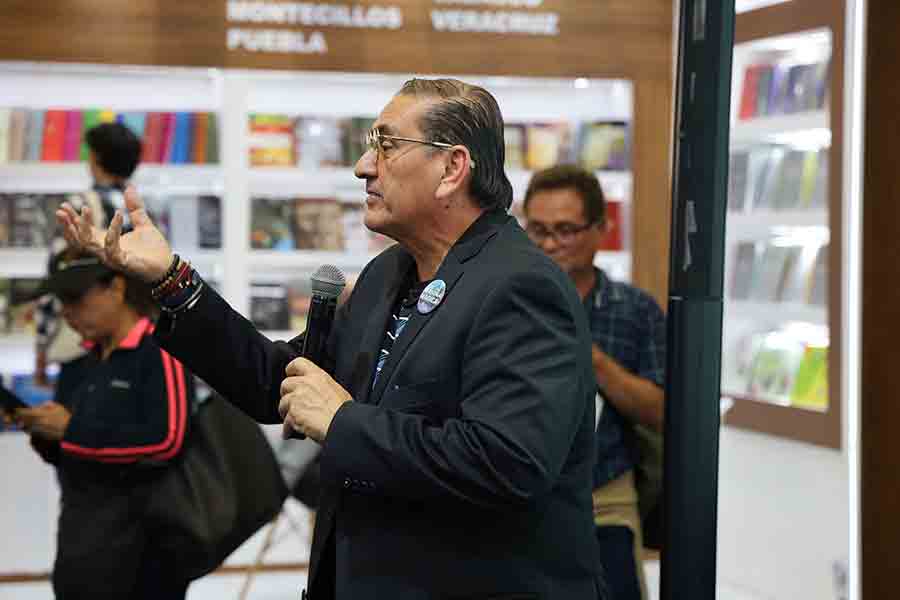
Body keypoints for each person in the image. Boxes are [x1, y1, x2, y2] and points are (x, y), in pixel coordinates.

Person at [57, 78, 606, 599]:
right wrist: (172, 280)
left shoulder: (522, 286)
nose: (363, 165)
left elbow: (507, 462)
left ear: (451, 168)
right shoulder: (387, 274)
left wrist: (343, 422)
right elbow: (278, 383)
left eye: (387, 145)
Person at [12, 250, 195, 600]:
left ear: (117, 288)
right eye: (62, 300)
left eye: (76, 298)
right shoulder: (82, 363)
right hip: (81, 546)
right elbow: (84, 450)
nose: (67, 311)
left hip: (143, 556)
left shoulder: (160, 350)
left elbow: (167, 440)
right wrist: (49, 438)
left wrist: (71, 431)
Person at [523, 165, 667, 600]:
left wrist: (593, 360)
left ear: (601, 229)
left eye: (566, 230)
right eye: (538, 230)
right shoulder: (505, 302)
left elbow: (663, 412)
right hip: (519, 498)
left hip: (605, 497)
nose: (550, 244)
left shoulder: (634, 310)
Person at [34, 121, 142, 385]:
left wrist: (42, 344)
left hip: (82, 339)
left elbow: (57, 276)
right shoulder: (142, 211)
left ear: (96, 157)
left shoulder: (80, 206)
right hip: (129, 335)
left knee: (76, 410)